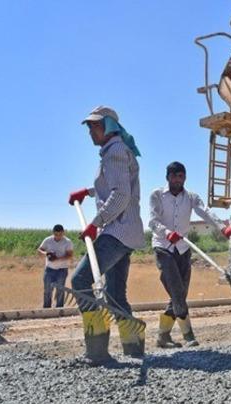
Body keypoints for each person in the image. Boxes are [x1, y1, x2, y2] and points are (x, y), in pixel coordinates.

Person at [68, 106, 145, 364]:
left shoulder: (114, 152)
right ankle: (134, 348)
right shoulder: (117, 151)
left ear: (108, 126)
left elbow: (120, 195)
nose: (90, 131)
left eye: (94, 126)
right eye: (89, 126)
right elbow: (114, 184)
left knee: (80, 281)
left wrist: (95, 223)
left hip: (117, 230)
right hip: (126, 231)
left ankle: (97, 348)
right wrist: (88, 192)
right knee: (115, 293)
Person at [149, 161, 231, 348]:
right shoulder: (156, 195)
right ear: (168, 177)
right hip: (163, 248)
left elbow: (205, 212)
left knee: (179, 295)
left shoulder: (191, 197)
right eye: (174, 176)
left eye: (181, 176)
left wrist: (223, 228)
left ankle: (162, 337)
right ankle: (189, 336)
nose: (178, 180)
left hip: (183, 249)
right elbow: (152, 221)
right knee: (177, 292)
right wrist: (166, 233)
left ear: (184, 178)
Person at [37, 224, 74, 308]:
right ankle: (46, 309)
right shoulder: (48, 240)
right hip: (49, 269)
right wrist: (46, 253)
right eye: (56, 234)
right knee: (47, 290)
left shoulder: (68, 242)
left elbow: (70, 255)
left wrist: (57, 258)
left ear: (63, 233)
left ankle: (59, 309)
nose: (58, 237)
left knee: (60, 291)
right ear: (53, 233)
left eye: (60, 234)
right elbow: (39, 250)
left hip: (62, 270)